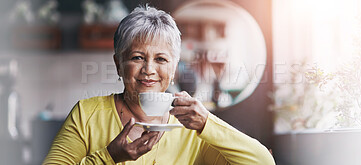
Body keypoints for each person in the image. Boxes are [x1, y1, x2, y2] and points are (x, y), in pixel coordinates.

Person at [44, 5, 275, 165]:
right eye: (137, 57)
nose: (149, 70)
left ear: (173, 68)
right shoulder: (86, 114)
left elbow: (262, 161)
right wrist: (109, 157)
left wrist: (207, 122)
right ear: (118, 64)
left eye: (161, 59)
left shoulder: (192, 128)